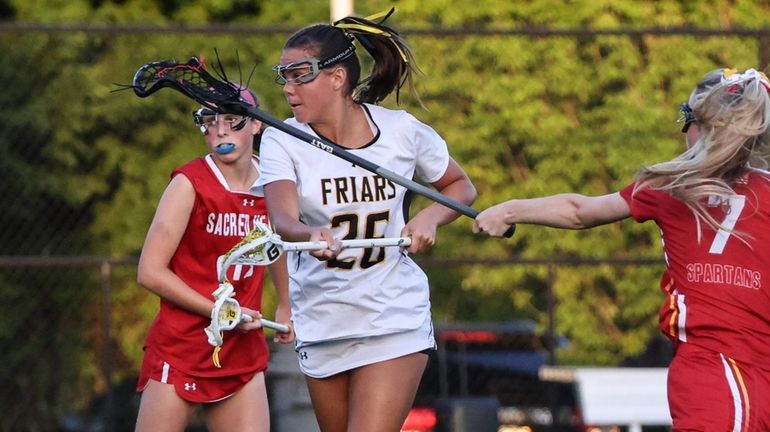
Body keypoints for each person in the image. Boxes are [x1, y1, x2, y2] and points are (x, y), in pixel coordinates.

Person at [474, 68, 770, 431]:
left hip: (716, 370)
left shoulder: (671, 184)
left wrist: (508, 209)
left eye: (685, 120)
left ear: (703, 125)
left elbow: (579, 211)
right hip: (737, 365)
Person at [255, 9, 477, 432]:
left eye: (299, 75)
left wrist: (430, 217)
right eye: (282, 77)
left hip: (392, 316)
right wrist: (308, 232)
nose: (288, 89)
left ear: (337, 78)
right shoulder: (282, 139)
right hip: (323, 318)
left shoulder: (401, 132)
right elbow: (282, 218)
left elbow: (460, 187)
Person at [134, 85, 294, 432]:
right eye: (209, 120)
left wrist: (286, 303)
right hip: (182, 346)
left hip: (241, 350)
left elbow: (276, 243)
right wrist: (221, 311)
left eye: (232, 119)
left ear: (256, 125)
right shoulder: (189, 183)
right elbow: (149, 271)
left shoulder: (273, 183)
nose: (220, 129)